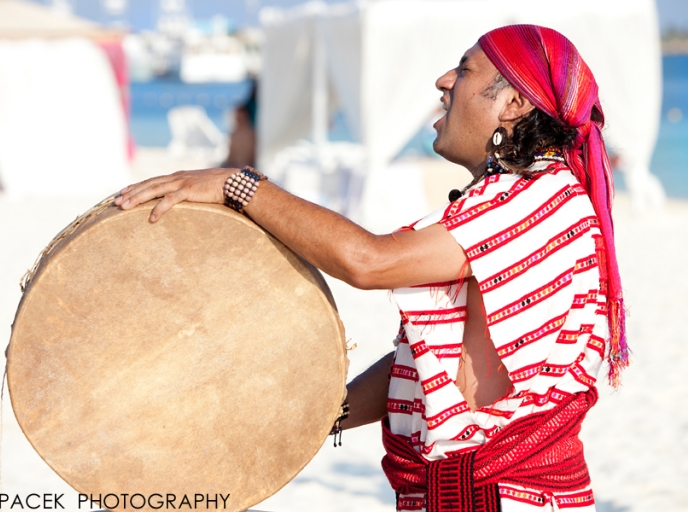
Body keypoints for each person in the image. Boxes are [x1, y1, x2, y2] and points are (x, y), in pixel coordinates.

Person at [115, 25, 627, 512]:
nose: (443, 82)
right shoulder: (514, 198)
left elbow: (369, 261)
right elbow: (427, 367)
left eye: (464, 70)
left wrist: (240, 186)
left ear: (513, 103)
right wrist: (312, 417)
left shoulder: (540, 196)